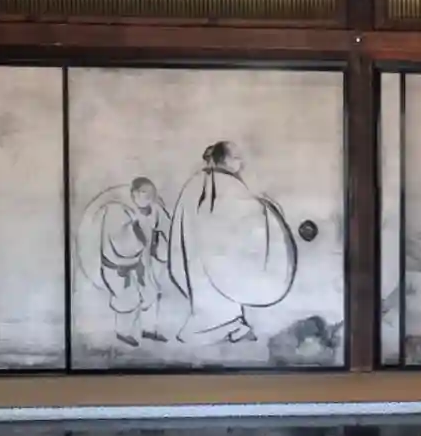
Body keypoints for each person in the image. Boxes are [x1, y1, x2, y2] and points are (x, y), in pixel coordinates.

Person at [168, 141, 297, 345]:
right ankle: (217, 329)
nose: (241, 163)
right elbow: (245, 217)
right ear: (224, 159)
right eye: (236, 158)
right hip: (215, 254)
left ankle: (228, 327)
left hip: (197, 252)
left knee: (208, 291)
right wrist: (266, 206)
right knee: (219, 290)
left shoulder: (196, 182)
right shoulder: (228, 184)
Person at [77, 177, 172, 347]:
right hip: (119, 265)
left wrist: (159, 242)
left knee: (150, 292)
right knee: (126, 297)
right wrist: (137, 232)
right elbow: (117, 240)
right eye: (143, 192)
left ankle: (149, 329)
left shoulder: (155, 209)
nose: (147, 197)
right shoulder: (118, 210)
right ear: (133, 193)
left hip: (142, 262)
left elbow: (165, 227)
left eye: (151, 193)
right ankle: (123, 332)